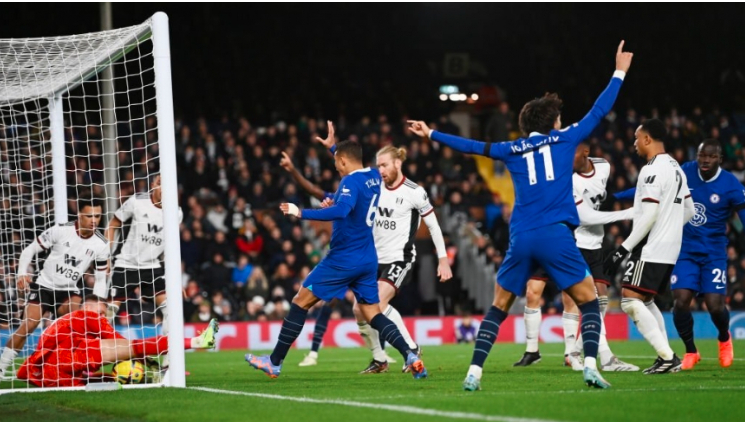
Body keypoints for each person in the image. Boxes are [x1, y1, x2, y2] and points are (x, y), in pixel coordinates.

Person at [408, 41, 634, 391]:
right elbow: (598, 110)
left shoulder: (510, 148)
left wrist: (431, 133)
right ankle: (590, 366)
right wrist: (619, 71)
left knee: (499, 306)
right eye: (558, 116)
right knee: (590, 300)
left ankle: (474, 373)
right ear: (552, 121)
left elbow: (472, 147)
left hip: (522, 236)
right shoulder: (564, 139)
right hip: (556, 235)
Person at [244, 140, 428, 379]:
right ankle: (410, 355)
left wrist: (300, 212)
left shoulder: (350, 181)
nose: (336, 168)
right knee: (373, 313)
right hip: (367, 258)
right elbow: (350, 194)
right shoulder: (373, 176)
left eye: (336, 162)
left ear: (343, 160)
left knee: (301, 300)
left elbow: (342, 211)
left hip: (343, 258)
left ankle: (274, 361)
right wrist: (333, 149)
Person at [281, 126, 452, 374]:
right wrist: (332, 149)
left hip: (399, 259)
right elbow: (353, 167)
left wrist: (443, 259)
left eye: (384, 165)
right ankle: (380, 359)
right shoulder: (374, 185)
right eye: (378, 166)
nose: (380, 170)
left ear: (397, 163)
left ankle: (411, 350)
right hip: (372, 257)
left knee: (378, 304)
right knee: (359, 310)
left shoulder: (415, 192)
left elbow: (434, 227)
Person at [615, 139, 745, 369]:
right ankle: (691, 351)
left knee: (715, 306)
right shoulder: (684, 171)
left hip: (713, 253)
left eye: (711, 156)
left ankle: (724, 338)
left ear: (720, 159)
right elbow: (645, 190)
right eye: (702, 155)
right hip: (684, 250)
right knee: (681, 302)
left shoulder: (730, 184)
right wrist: (616, 197)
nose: (705, 160)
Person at [514, 142, 638, 372]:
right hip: (573, 242)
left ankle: (575, 351)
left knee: (599, 300)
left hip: (595, 245)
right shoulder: (568, 181)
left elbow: (602, 196)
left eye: (570, 153)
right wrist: (628, 213)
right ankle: (602, 357)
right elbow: (585, 217)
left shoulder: (604, 167)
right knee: (584, 298)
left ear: (586, 152)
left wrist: (634, 195)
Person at [604, 119, 695, 374]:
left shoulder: (651, 169)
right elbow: (689, 209)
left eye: (636, 137)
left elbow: (650, 215)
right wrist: (671, 228)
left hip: (651, 246)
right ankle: (666, 356)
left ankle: (667, 357)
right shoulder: (676, 167)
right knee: (645, 299)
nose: (634, 142)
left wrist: (622, 249)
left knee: (630, 301)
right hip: (670, 246)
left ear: (647, 139)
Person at [0, 197, 110, 380]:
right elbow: (29, 251)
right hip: (44, 286)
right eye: (89, 216)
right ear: (80, 215)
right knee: (29, 325)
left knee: (81, 325)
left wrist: (97, 307)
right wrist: (21, 274)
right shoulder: (60, 230)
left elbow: (100, 278)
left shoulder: (101, 244)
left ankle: (78, 367)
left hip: (69, 291)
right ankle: (2, 368)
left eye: (98, 216)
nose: (94, 221)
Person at [15, 295, 217, 387]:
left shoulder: (62, 323)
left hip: (48, 375)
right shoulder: (86, 316)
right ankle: (196, 341)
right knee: (137, 346)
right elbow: (124, 344)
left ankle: (149, 376)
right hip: (69, 357)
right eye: (101, 312)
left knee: (104, 379)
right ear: (89, 307)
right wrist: (151, 362)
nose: (103, 317)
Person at [105, 174, 183, 334]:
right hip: (126, 264)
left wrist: (175, 278)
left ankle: (169, 357)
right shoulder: (137, 201)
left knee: (172, 311)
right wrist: (105, 257)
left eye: (167, 184)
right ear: (153, 185)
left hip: (152, 267)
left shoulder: (176, 212)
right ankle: (95, 351)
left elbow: (171, 248)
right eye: (160, 183)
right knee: (108, 313)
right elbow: (112, 225)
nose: (163, 188)